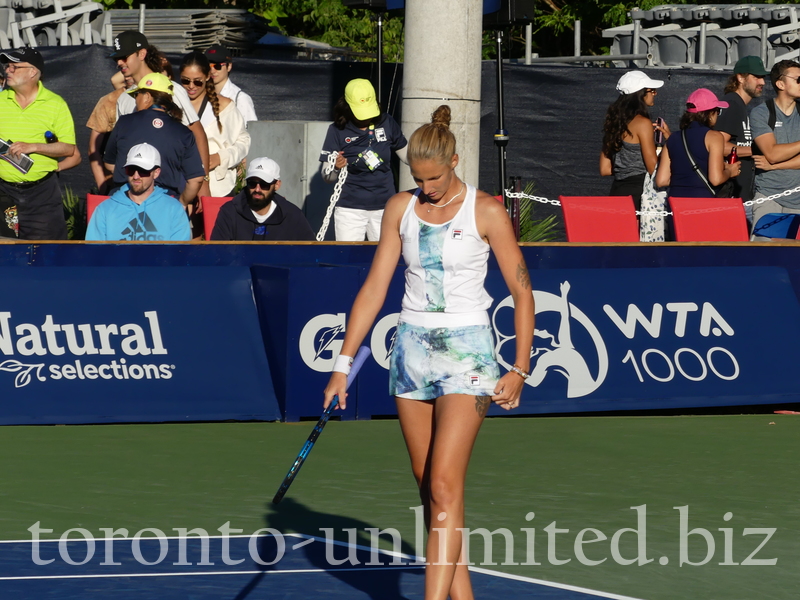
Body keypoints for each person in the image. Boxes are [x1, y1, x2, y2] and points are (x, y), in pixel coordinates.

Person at [322, 105, 534, 600]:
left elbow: (522, 291)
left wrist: (520, 367)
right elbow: (375, 288)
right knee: (430, 489)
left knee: (443, 483)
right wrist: (341, 367)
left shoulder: (487, 211)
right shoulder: (400, 208)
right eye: (418, 177)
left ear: (456, 161)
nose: (427, 186)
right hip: (411, 353)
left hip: (469, 357)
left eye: (434, 177)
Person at [109, 30, 210, 198]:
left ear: (141, 54)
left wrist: (203, 183)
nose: (119, 63)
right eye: (116, 59)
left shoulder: (172, 89)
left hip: (166, 193)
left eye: (124, 57)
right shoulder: (124, 99)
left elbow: (197, 132)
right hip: (131, 194)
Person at [0, 48, 76, 240]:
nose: (7, 70)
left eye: (14, 67)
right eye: (7, 66)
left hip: (41, 196)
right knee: (5, 255)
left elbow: (69, 148)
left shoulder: (55, 104)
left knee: (46, 254)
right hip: (3, 193)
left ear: (33, 72)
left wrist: (33, 146)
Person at [320, 78, 408, 241]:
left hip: (385, 207)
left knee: (384, 257)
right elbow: (327, 177)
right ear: (347, 107)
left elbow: (410, 157)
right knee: (348, 260)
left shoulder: (387, 122)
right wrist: (336, 168)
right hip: (349, 210)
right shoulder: (336, 130)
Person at [103, 73, 205, 206]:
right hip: (164, 203)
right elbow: (196, 179)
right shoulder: (183, 132)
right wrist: (181, 203)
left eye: (136, 95)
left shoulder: (124, 122)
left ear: (147, 97)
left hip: (125, 200)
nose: (135, 100)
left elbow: (110, 164)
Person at [180, 51, 250, 198]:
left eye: (197, 81)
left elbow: (243, 142)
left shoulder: (225, 106)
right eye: (186, 81)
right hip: (181, 187)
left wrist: (221, 157)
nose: (191, 86)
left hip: (218, 188)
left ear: (207, 77)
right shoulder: (174, 104)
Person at [87, 143, 190, 241]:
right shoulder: (105, 209)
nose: (136, 176)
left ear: (156, 173)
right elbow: (94, 252)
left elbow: (180, 253)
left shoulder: (174, 209)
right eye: (131, 170)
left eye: (143, 171)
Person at [600, 70, 669, 207]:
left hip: (617, 191)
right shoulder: (643, 123)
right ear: (641, 93)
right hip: (639, 193)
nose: (655, 93)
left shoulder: (613, 123)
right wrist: (669, 142)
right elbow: (652, 167)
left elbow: (605, 169)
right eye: (652, 90)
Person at [655, 88, 741, 198]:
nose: (718, 115)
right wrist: (730, 171)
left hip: (676, 203)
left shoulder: (673, 138)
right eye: (717, 111)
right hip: (702, 204)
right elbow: (716, 179)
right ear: (710, 114)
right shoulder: (714, 137)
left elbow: (661, 180)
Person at [210, 157, 314, 241]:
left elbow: (312, 254)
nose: (257, 189)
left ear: (277, 185)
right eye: (252, 183)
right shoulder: (229, 212)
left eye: (264, 184)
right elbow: (217, 254)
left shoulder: (292, 215)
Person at [714, 55, 770, 213]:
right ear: (740, 77)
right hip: (732, 195)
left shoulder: (739, 105)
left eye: (763, 77)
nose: (763, 82)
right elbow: (719, 145)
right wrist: (759, 151)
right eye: (756, 77)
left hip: (742, 195)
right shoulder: (732, 103)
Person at [749, 60, 800, 229]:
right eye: (798, 79)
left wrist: (774, 167)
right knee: (762, 253)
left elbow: (772, 161)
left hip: (798, 202)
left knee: (792, 255)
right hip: (769, 198)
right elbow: (772, 154)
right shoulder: (761, 113)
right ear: (780, 83)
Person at [87, 74, 134, 193]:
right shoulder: (109, 101)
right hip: (115, 182)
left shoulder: (162, 96)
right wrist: (102, 186)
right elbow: (93, 149)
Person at [204, 44, 257, 124]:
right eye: (208, 66)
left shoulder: (240, 99)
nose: (212, 71)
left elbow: (252, 131)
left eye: (217, 66)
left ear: (229, 67)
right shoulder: (198, 93)